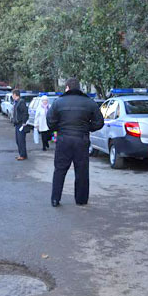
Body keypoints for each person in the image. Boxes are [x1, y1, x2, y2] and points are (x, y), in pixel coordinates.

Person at [46, 78, 104, 207]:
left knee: (60, 170)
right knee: (82, 171)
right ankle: (81, 200)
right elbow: (99, 122)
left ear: (67, 87)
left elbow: (50, 122)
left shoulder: (58, 102)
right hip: (81, 140)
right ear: (79, 88)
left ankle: (55, 199)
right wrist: (87, 128)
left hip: (63, 140)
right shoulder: (89, 102)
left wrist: (60, 129)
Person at [12, 89, 29, 161]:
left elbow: (25, 113)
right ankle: (21, 154)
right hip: (17, 124)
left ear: (15, 95)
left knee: (21, 140)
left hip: (21, 124)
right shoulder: (16, 102)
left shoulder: (21, 102)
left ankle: (23, 155)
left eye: (12, 94)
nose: (12, 96)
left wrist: (24, 122)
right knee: (18, 140)